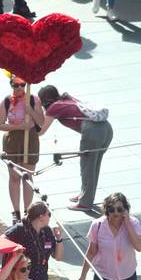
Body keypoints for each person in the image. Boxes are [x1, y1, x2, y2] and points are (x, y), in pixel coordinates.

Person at [37, 85, 113, 213]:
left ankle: (85, 203)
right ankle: (85, 195)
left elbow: (41, 131)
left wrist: (25, 127)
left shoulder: (54, 107)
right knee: (93, 166)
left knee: (87, 167)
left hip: (93, 132)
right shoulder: (66, 99)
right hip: (106, 129)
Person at [0, 75, 43, 223]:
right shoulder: (5, 101)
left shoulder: (33, 100)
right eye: (16, 85)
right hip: (12, 140)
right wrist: (18, 126)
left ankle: (27, 211)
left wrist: (31, 111)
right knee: (15, 176)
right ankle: (16, 212)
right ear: (11, 85)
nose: (19, 88)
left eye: (22, 85)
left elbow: (41, 122)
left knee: (27, 176)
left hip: (30, 139)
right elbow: (0, 125)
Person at [3, 202, 64, 280]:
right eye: (48, 214)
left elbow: (58, 257)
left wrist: (59, 239)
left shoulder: (47, 232)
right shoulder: (20, 229)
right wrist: (15, 253)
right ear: (41, 217)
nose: (50, 217)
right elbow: (2, 241)